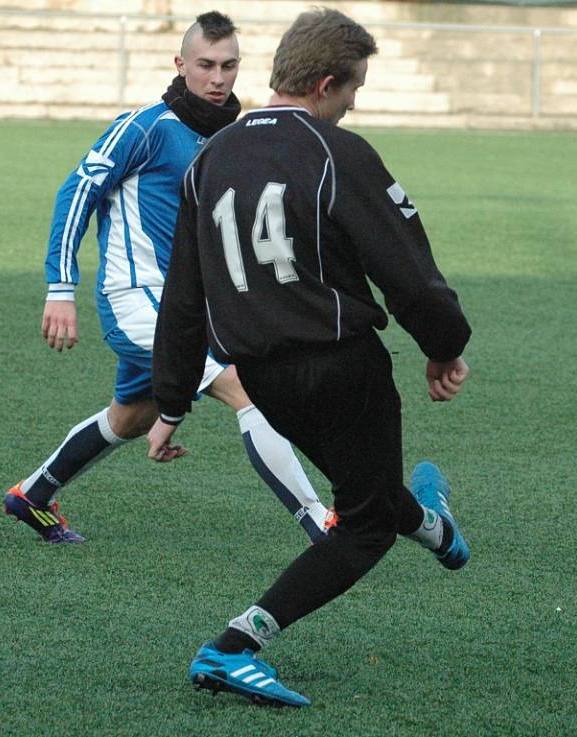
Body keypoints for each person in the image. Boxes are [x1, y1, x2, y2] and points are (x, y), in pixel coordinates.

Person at [147, 7, 472, 707]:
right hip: (342, 367)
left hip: (265, 379)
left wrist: (171, 403)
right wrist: (445, 347)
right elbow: (408, 271)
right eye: (353, 87)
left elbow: (183, 296)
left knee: (369, 486)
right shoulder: (336, 152)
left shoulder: (209, 159)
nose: (357, 102)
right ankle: (235, 644)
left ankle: (439, 528)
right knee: (364, 524)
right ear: (326, 82)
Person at [4, 11, 332, 545]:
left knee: (133, 416)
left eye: (228, 65)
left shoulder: (235, 135)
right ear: (181, 64)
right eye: (205, 64)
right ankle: (321, 524)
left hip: (188, 305)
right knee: (246, 387)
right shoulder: (145, 127)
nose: (218, 77)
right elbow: (76, 193)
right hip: (133, 298)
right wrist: (59, 289)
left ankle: (32, 494)